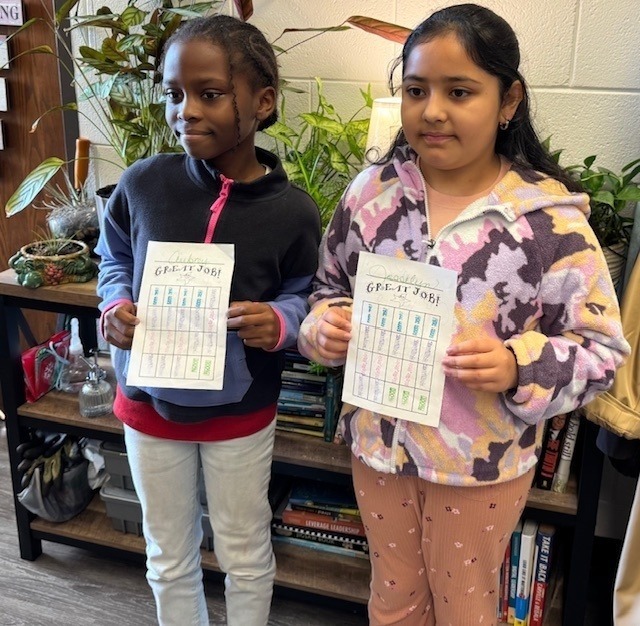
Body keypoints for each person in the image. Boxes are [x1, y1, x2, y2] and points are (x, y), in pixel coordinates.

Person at [297, 4, 629, 625]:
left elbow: (602, 352)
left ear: (508, 102)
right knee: (393, 599)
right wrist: (322, 328)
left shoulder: (548, 223)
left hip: (479, 465)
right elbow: (327, 289)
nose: (433, 110)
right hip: (379, 448)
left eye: (460, 91)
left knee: (464, 609)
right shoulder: (371, 196)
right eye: (416, 90)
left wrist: (516, 364)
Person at [95, 15, 321, 626]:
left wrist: (280, 320)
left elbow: (307, 290)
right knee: (167, 554)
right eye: (174, 94)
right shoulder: (144, 184)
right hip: (149, 403)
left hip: (239, 413)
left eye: (210, 94)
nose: (186, 111)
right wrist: (114, 306)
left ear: (262, 101)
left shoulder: (294, 212)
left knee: (244, 552)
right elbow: (112, 254)